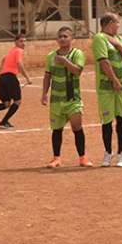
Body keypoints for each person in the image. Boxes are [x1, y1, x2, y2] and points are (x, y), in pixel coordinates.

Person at [41, 26, 93, 168]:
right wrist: (44, 94)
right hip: (56, 100)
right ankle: (56, 158)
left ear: (72, 39)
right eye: (60, 36)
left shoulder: (77, 54)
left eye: (65, 36)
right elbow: (47, 76)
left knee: (77, 127)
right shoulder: (51, 56)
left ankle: (82, 157)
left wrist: (64, 62)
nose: (62, 39)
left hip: (72, 99)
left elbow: (77, 71)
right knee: (56, 130)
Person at [91, 13, 122, 168]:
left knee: (121, 119)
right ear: (109, 23)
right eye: (117, 22)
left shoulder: (119, 39)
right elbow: (103, 61)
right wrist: (114, 80)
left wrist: (117, 44)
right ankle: (108, 153)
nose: (118, 25)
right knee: (107, 122)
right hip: (106, 88)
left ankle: (121, 153)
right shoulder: (99, 38)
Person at [0, 34, 32, 129]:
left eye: (25, 41)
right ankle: (3, 122)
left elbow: (4, 59)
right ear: (16, 42)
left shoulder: (11, 51)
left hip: (2, 77)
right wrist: (27, 77)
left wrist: (3, 69)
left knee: (6, 103)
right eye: (21, 41)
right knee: (17, 101)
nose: (24, 43)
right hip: (10, 77)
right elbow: (19, 64)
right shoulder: (18, 50)